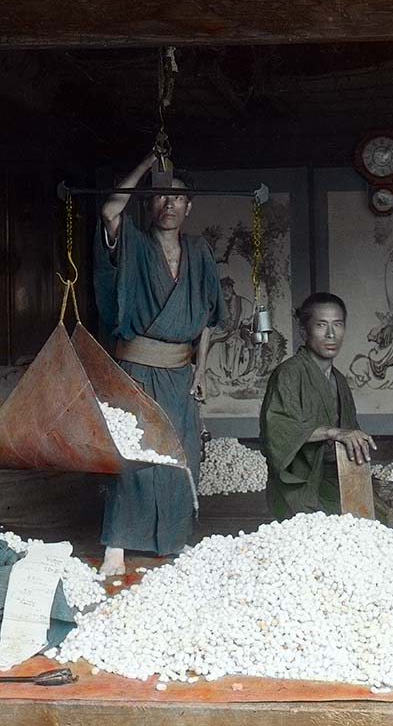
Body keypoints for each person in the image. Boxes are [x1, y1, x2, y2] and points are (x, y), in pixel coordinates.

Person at [94, 152, 226, 575]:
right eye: (159, 197)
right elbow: (110, 208)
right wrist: (148, 164)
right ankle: (117, 541)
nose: (168, 204)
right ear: (147, 203)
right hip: (136, 368)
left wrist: (200, 370)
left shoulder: (198, 250)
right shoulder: (132, 240)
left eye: (177, 198)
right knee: (133, 454)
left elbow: (206, 317)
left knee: (181, 455)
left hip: (180, 371)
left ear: (189, 207)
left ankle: (171, 540)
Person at [260, 293, 377, 520]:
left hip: (337, 478)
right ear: (304, 331)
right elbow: (278, 432)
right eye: (321, 325)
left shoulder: (339, 379)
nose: (331, 334)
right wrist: (332, 431)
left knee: (376, 522)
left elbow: (350, 432)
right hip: (299, 485)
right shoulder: (288, 374)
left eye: (338, 325)